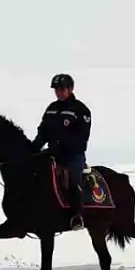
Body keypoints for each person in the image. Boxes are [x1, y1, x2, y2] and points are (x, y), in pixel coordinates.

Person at [31, 73, 92, 228]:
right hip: (52, 153)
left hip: (73, 155)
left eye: (62, 89)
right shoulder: (51, 109)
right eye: (56, 89)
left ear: (70, 89)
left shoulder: (81, 110)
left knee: (73, 177)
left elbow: (81, 138)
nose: (59, 92)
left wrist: (61, 145)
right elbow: (42, 133)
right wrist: (32, 149)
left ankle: (77, 215)